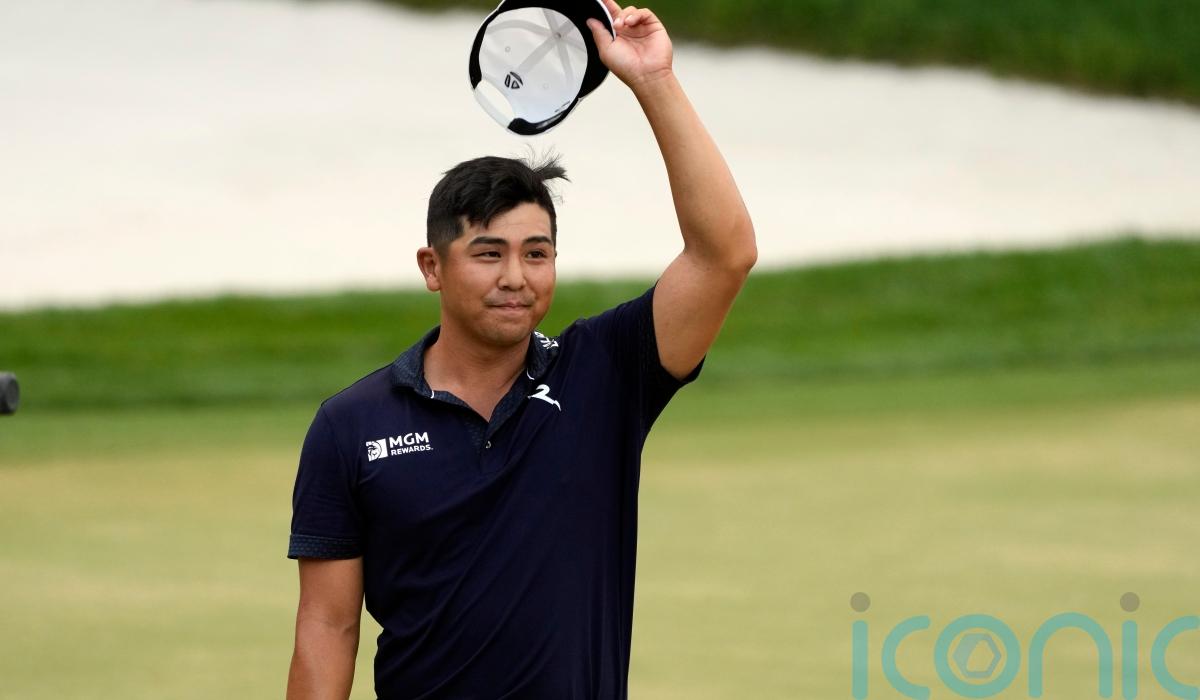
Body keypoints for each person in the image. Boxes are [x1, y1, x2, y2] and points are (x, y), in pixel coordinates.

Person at [285, 2, 756, 697]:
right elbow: (328, 627)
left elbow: (724, 255)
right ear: (432, 267)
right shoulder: (351, 424)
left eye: (537, 253)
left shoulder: (604, 372)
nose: (516, 277)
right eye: (488, 253)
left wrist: (654, 82)